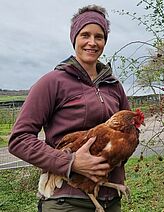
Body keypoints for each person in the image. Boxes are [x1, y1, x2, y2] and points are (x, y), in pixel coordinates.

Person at [8, 4, 130, 212]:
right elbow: (19, 139)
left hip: (109, 200)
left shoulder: (114, 85)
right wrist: (70, 162)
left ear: (104, 41)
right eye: (85, 35)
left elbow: (128, 135)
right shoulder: (52, 82)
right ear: (74, 38)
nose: (92, 42)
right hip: (67, 201)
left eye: (99, 37)